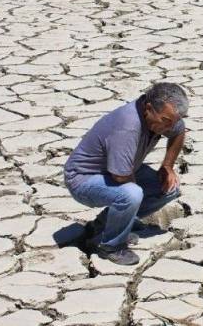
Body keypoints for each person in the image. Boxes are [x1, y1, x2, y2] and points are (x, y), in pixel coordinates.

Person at [64, 82, 187, 265]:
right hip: (84, 179)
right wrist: (130, 207)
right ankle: (111, 246)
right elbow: (121, 177)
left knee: (169, 188)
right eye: (165, 121)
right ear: (148, 108)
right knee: (132, 194)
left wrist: (167, 166)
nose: (170, 127)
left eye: (174, 121)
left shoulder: (168, 119)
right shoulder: (128, 125)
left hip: (122, 170)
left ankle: (108, 223)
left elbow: (179, 131)